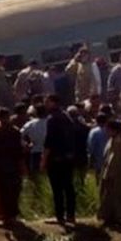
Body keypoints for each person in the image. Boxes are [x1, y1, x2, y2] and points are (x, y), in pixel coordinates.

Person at [42, 95, 81, 225]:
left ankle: (60, 216)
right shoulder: (67, 117)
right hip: (68, 157)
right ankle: (71, 215)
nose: (45, 104)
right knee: (68, 187)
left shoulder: (52, 119)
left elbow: (49, 142)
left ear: (53, 102)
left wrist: (44, 160)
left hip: (56, 158)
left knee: (57, 188)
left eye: (47, 101)